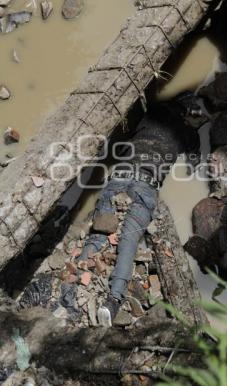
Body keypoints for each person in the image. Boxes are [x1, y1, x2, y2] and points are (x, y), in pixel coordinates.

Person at [79, 92, 208, 326]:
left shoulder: (151, 116)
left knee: (97, 236)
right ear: (187, 115)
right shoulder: (187, 134)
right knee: (128, 240)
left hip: (118, 178)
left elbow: (128, 135)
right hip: (146, 186)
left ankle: (77, 279)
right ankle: (113, 300)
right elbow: (194, 162)